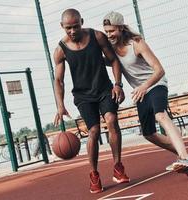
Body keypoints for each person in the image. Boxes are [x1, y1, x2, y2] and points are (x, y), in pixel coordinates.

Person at [102, 11, 188, 177]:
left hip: (155, 84)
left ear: (121, 28)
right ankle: (184, 154)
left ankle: (184, 159)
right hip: (141, 92)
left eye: (112, 31)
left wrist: (145, 86)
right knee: (149, 134)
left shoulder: (137, 43)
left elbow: (159, 70)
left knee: (160, 115)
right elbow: (104, 61)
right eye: (107, 31)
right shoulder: (111, 49)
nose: (109, 35)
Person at [53, 9, 130, 194]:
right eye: (68, 28)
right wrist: (60, 106)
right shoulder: (60, 50)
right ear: (62, 26)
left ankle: (118, 167)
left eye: (76, 26)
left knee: (111, 120)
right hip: (83, 96)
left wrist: (118, 84)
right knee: (93, 131)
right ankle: (94, 175)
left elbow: (113, 60)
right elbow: (58, 80)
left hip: (104, 89)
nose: (72, 31)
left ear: (82, 22)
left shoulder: (97, 36)